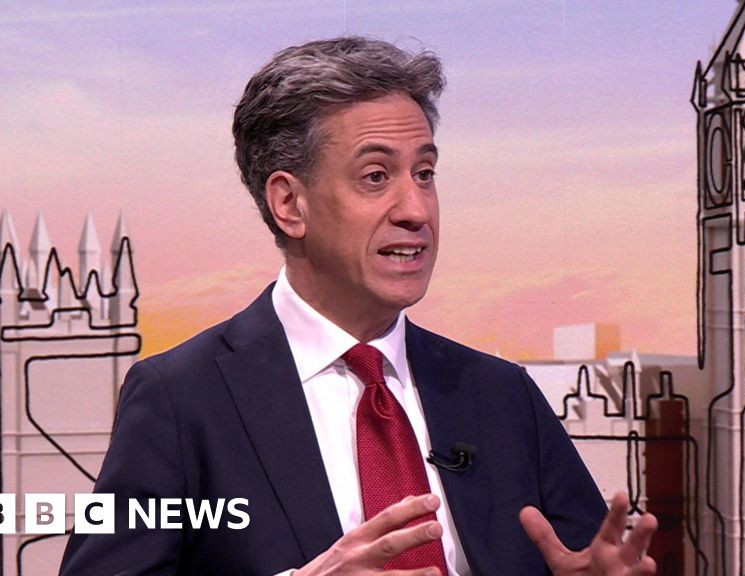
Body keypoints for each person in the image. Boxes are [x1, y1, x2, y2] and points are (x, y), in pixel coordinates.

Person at [60, 37, 657, 575]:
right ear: (289, 204)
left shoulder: (501, 395)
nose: (416, 210)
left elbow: (584, 561)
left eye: (425, 173)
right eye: (376, 177)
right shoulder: (181, 398)